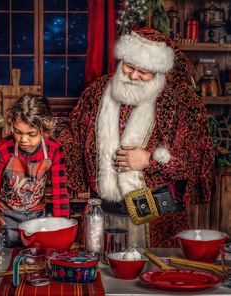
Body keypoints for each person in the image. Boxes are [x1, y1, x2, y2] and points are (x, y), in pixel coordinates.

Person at [57, 28, 215, 248]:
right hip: (102, 216)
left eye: (144, 71)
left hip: (157, 220)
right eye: (129, 66)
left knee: (154, 277)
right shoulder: (96, 92)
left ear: (158, 70)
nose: (132, 75)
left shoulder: (181, 100)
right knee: (100, 278)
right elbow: (71, 135)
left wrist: (150, 160)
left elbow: (197, 158)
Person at [0, 93, 70, 247]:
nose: (23, 140)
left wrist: (62, 229)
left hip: (37, 221)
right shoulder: (2, 149)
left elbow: (60, 194)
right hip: (5, 220)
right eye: (18, 132)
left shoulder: (54, 150)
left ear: (45, 128)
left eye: (31, 134)